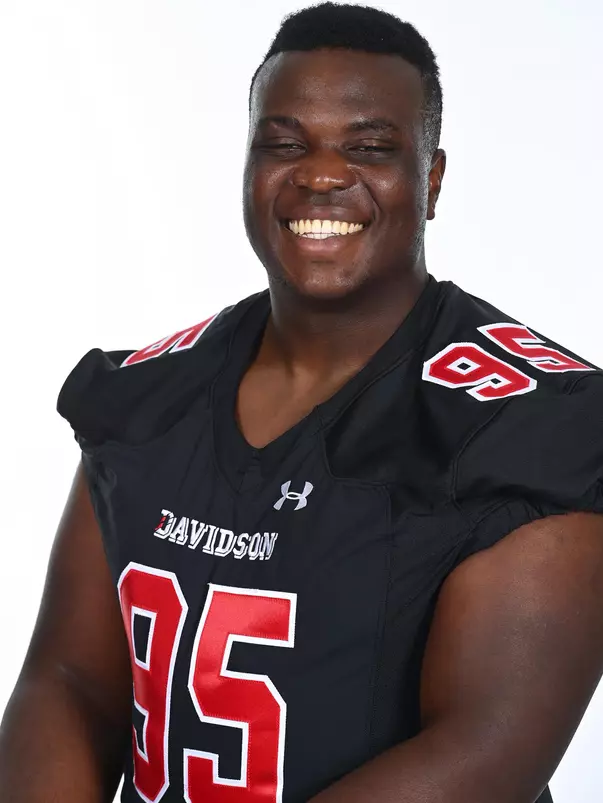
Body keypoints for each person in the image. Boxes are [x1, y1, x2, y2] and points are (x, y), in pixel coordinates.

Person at [2, 3, 603, 802]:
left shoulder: (534, 419)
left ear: (431, 178)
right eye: (284, 143)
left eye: (368, 147)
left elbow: (485, 752)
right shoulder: (145, 396)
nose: (320, 173)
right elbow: (69, 682)